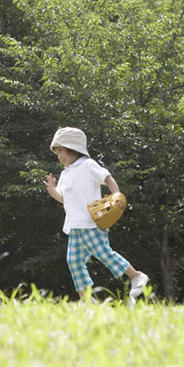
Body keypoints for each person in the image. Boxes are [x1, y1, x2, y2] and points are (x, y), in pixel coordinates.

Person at [43, 127, 149, 302]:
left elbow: (107, 178)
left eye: (61, 151)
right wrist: (53, 191)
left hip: (91, 223)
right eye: (57, 153)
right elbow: (65, 199)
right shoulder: (65, 173)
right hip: (74, 226)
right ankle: (86, 300)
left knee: (103, 253)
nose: (59, 156)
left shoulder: (88, 165)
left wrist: (117, 196)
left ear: (72, 149)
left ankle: (136, 276)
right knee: (74, 263)